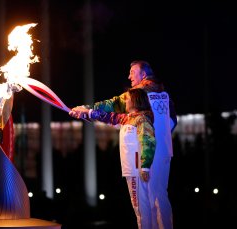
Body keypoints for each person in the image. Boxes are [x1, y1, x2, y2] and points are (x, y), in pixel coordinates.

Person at [70, 60, 177, 229]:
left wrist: (88, 108)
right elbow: (172, 121)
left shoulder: (138, 94)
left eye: (132, 72)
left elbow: (112, 105)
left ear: (143, 74)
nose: (129, 76)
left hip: (144, 154)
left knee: (144, 202)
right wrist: (88, 113)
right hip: (163, 152)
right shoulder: (164, 94)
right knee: (159, 197)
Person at [71, 88, 155, 228]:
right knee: (140, 209)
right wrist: (85, 112)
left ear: (135, 100)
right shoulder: (127, 118)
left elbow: (148, 141)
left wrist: (145, 166)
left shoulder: (142, 119)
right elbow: (107, 117)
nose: (125, 101)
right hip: (131, 170)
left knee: (141, 209)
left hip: (137, 170)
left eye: (127, 98)